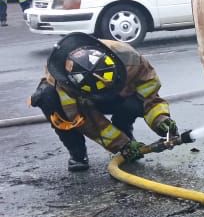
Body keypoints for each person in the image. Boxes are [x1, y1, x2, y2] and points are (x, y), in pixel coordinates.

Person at [29, 32, 179, 171]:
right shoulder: (62, 82)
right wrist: (122, 145)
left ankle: (124, 127)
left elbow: (149, 96)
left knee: (133, 103)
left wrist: (161, 120)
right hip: (80, 101)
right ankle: (77, 153)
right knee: (47, 97)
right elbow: (85, 120)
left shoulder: (130, 58)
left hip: (116, 96)